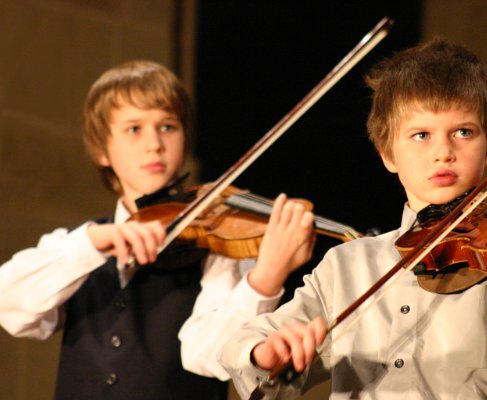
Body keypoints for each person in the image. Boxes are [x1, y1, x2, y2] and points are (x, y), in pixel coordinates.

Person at [218, 38, 487, 399]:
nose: (443, 152)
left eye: (463, 132)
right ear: (387, 154)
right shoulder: (346, 267)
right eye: (421, 135)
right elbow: (245, 351)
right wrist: (266, 355)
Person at [0, 60, 315, 400]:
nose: (154, 144)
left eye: (167, 127)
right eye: (134, 129)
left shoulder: (214, 248)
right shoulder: (77, 248)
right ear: (101, 148)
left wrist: (266, 277)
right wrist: (92, 244)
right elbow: (10, 305)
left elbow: (208, 355)